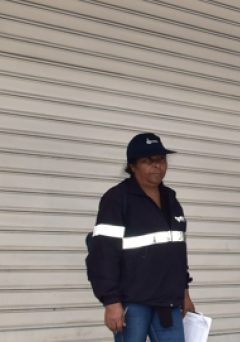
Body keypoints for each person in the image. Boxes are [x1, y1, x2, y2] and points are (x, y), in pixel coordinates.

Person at [87, 133, 195, 341]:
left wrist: (184, 294)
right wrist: (111, 302)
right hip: (132, 303)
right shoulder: (117, 198)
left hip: (167, 303)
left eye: (161, 159)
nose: (157, 165)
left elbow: (177, 253)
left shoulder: (171, 199)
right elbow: (103, 254)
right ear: (132, 165)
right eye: (148, 160)